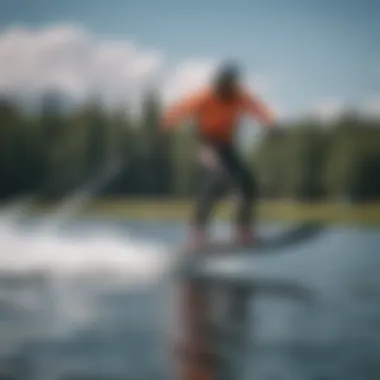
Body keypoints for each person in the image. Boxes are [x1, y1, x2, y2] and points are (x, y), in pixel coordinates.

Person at [161, 62, 276, 248]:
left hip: (227, 147)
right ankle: (197, 233)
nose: (225, 90)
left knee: (248, 183)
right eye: (222, 85)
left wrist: (272, 125)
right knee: (219, 178)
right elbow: (179, 109)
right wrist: (165, 128)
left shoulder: (239, 97)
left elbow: (258, 109)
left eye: (229, 85)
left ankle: (244, 232)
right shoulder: (205, 96)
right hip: (207, 145)